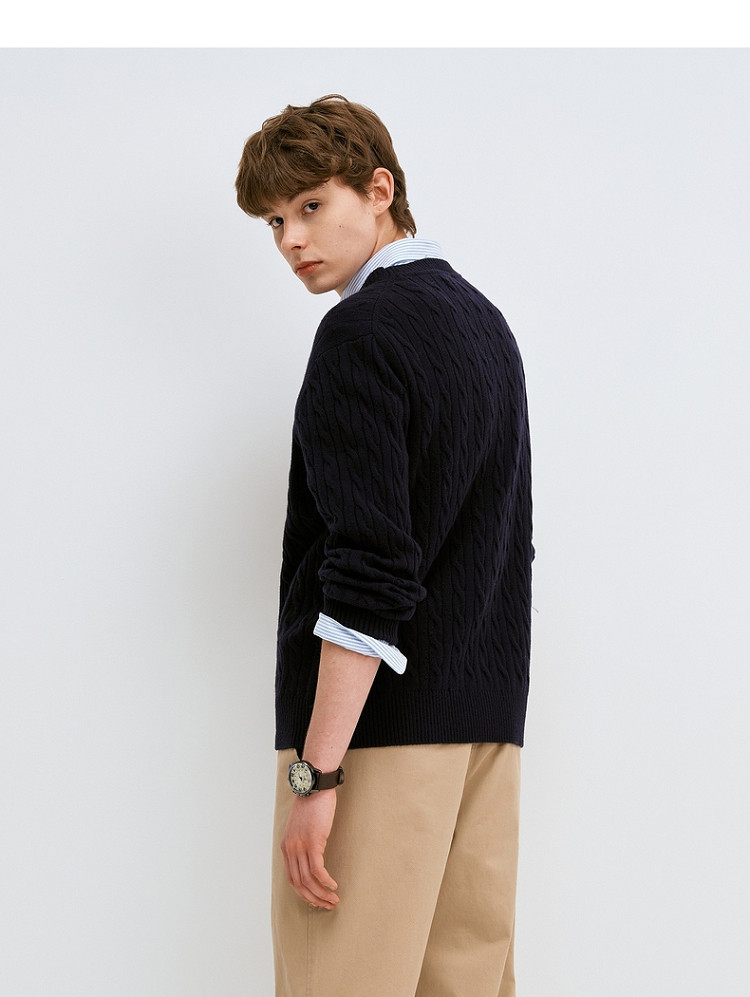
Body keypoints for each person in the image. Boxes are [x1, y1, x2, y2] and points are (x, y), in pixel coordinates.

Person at [235, 94, 533, 997]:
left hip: (378, 742)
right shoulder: (485, 325)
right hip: (484, 739)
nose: (292, 240)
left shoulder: (360, 334)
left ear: (379, 189)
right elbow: (503, 548)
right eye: (275, 221)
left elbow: (371, 566)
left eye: (310, 205)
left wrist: (316, 772)